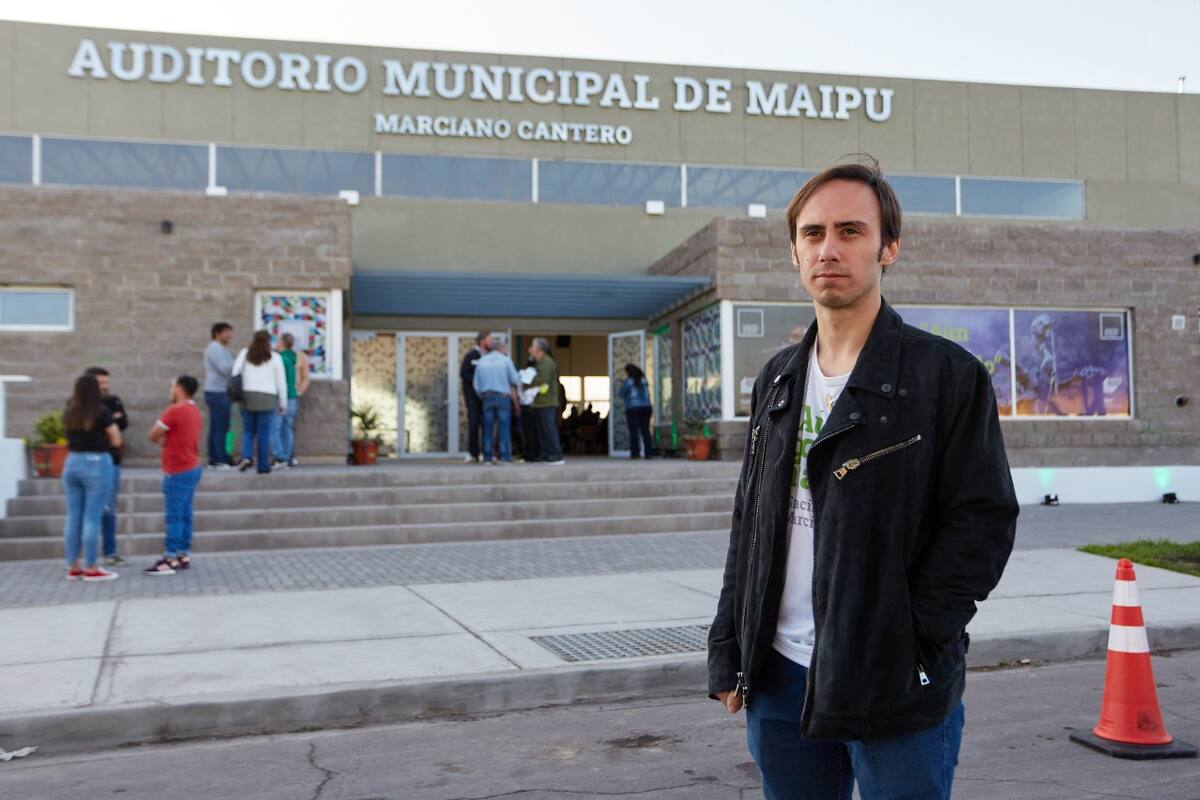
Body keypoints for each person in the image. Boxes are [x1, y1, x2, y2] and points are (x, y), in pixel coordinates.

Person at [707, 158, 1019, 800]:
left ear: (888, 248)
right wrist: (729, 647)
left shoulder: (947, 377)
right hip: (779, 677)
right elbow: (752, 520)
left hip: (892, 679)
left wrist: (912, 637)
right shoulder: (778, 381)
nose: (830, 249)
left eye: (851, 231)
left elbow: (982, 522)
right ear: (794, 251)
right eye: (814, 233)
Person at [61, 373, 121, 582]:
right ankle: (91, 567)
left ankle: (73, 566)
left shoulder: (69, 411)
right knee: (92, 517)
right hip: (96, 462)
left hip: (71, 462)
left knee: (73, 516)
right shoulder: (101, 411)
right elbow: (116, 439)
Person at [144, 376, 204, 575]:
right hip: (192, 466)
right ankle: (182, 554)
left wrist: (164, 439)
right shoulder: (195, 411)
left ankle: (169, 557)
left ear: (179, 388)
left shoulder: (174, 411)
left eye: (171, 386)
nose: (170, 390)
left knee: (174, 516)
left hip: (177, 470)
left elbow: (153, 434)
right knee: (186, 514)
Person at [85, 367, 129, 565]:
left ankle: (110, 552)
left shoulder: (113, 400)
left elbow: (124, 422)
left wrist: (107, 425)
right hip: (89, 462)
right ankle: (87, 556)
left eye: (106, 383)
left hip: (112, 461)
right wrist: (110, 424)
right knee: (89, 510)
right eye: (101, 383)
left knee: (109, 508)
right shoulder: (81, 405)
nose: (105, 387)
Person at [232, 330, 287, 474]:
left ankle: (247, 456)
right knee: (263, 433)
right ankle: (263, 466)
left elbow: (235, 372)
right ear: (269, 341)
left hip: (247, 396)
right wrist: (283, 404)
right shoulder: (275, 357)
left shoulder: (245, 353)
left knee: (248, 430)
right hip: (267, 398)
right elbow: (281, 383)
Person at [472, 336, 522, 464]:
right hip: (502, 397)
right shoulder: (505, 361)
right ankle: (505, 456)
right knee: (504, 428)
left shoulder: (482, 361)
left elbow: (476, 384)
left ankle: (487, 457)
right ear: (501, 347)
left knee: (487, 428)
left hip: (487, 397)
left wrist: (482, 396)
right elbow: (515, 379)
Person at [269, 332, 310, 469]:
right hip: (293, 396)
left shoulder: (280, 358)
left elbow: (279, 381)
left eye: (278, 341)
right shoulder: (294, 357)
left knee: (274, 429)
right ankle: (288, 458)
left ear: (282, 343)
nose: (276, 343)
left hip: (281, 398)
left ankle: (280, 457)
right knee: (287, 429)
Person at [525, 337, 565, 465]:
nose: (529, 349)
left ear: (538, 349)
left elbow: (541, 379)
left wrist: (526, 379)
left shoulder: (547, 362)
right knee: (541, 430)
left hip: (547, 402)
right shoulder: (538, 362)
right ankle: (546, 454)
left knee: (548, 428)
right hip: (539, 402)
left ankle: (556, 454)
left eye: (532, 346)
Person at [203, 322, 235, 469]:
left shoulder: (220, 349)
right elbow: (225, 369)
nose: (229, 335)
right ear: (217, 333)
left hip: (219, 392)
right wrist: (239, 362)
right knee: (221, 428)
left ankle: (216, 458)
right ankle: (219, 460)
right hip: (217, 393)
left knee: (218, 427)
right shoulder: (215, 349)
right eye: (226, 332)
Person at [460, 332, 489, 463]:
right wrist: (478, 380)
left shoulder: (489, 357)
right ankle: (473, 453)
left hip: (486, 397)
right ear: (483, 341)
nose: (492, 342)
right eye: (490, 339)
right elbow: (464, 374)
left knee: (486, 424)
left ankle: (487, 453)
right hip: (472, 397)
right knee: (473, 423)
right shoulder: (471, 356)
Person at [618, 363, 653, 459]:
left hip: (633, 408)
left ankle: (635, 454)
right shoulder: (643, 380)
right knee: (645, 431)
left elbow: (621, 393)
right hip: (646, 407)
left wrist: (622, 384)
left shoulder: (628, 382)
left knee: (634, 431)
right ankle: (648, 453)